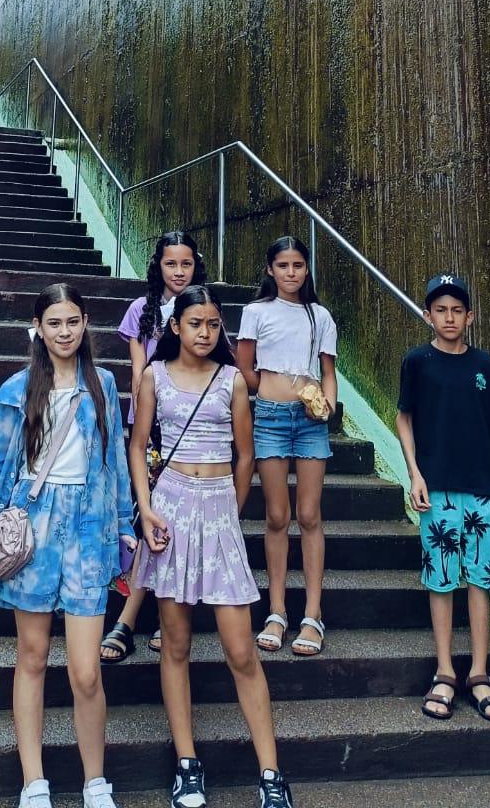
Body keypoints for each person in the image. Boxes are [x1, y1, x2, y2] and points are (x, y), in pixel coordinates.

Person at [0, 282, 135, 808]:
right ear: (39, 327)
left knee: (85, 669)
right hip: (31, 528)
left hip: (88, 528)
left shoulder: (102, 383)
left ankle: (95, 781)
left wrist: (125, 525)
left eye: (72, 321)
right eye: (54, 323)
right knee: (31, 656)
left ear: (85, 323)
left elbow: (116, 463)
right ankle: (34, 780)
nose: (64, 332)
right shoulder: (16, 389)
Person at [131, 285, 294, 808]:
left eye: (213, 324)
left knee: (241, 649)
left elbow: (245, 456)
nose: (205, 332)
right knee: (174, 644)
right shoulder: (153, 377)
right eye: (195, 323)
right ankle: (186, 764)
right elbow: (138, 447)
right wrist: (148, 506)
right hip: (172, 510)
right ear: (175, 326)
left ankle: (271, 774)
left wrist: (230, 506)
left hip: (218, 510)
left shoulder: (232, 382)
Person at [396, 273, 490, 725]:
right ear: (428, 316)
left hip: (484, 491)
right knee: (441, 580)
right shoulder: (417, 362)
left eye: (456, 310)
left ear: (469, 317)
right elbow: (404, 419)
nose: (449, 317)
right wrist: (414, 475)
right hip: (438, 487)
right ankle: (445, 670)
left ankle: (479, 673)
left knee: (481, 581)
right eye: (440, 310)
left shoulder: (484, 364)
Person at [102, 231, 204, 664]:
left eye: (185, 264)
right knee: (153, 517)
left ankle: (154, 619)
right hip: (152, 427)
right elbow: (139, 370)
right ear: (157, 265)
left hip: (192, 431)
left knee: (178, 522)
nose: (179, 272)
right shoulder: (140, 311)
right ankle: (130, 618)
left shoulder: (202, 307)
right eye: (170, 264)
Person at [236, 236, 337, 657]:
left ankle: (313, 614)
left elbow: (329, 370)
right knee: (276, 515)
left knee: (309, 514)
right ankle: (276, 610)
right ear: (270, 269)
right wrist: (272, 392)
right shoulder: (256, 312)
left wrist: (327, 404)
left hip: (311, 421)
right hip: (271, 418)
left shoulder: (320, 315)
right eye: (283, 265)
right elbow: (245, 365)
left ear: (307, 268)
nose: (291, 272)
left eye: (298, 265)